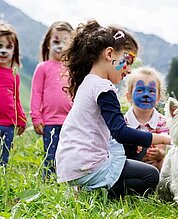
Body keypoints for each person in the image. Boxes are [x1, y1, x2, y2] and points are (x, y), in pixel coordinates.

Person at [55, 20, 171, 198]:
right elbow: (121, 132)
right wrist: (164, 138)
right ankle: (95, 192)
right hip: (88, 165)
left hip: (72, 164)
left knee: (130, 152)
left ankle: (88, 188)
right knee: (151, 176)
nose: (130, 70)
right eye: (128, 60)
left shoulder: (87, 82)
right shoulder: (103, 88)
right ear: (109, 54)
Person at [30, 21, 74, 179]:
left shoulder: (73, 69)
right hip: (49, 121)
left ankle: (66, 183)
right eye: (56, 42)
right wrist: (36, 117)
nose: (60, 46)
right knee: (50, 154)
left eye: (65, 42)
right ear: (48, 44)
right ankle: (47, 183)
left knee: (68, 156)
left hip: (70, 122)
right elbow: (36, 93)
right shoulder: (43, 67)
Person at [124, 66, 169, 171]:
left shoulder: (162, 122)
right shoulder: (123, 123)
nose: (146, 95)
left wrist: (159, 154)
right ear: (129, 96)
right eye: (140, 90)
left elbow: (162, 150)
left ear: (158, 98)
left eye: (152, 91)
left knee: (166, 162)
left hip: (154, 166)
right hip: (131, 165)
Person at [0, 22, 26, 167]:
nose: (3, 51)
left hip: (8, 124)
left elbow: (16, 99)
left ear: (14, 51)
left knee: (4, 156)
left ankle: (2, 180)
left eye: (8, 47)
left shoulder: (14, 75)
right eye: (0, 46)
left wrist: (21, 119)